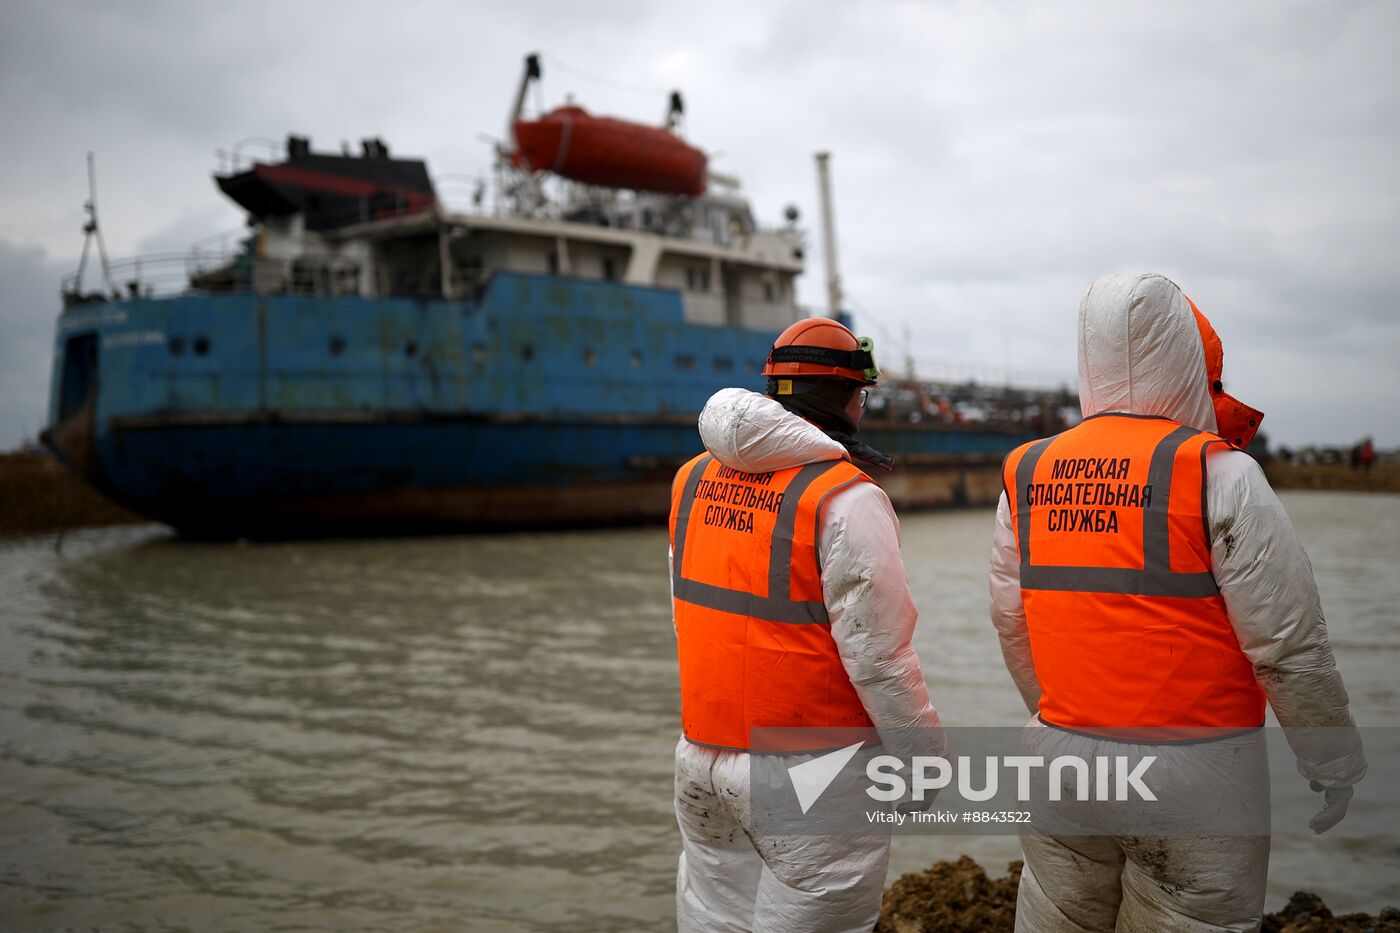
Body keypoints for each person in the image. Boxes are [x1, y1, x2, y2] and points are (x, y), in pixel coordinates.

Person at [989, 272, 1367, 932]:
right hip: (1198, 773)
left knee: (1056, 917)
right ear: (1190, 358)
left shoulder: (1028, 472)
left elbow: (1009, 616)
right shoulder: (1219, 474)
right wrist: (1331, 758)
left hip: (1058, 759)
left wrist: (1059, 719)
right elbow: (1287, 641)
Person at [670, 317, 943, 933]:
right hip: (812, 774)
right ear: (847, 398)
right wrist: (923, 762)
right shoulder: (845, 497)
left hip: (700, 758)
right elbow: (880, 656)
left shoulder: (691, 482)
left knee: (712, 920)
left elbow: (690, 616)